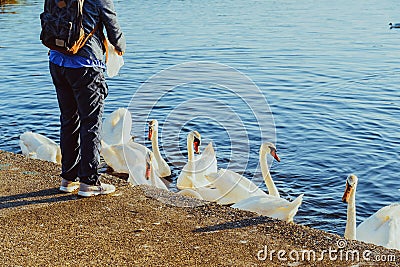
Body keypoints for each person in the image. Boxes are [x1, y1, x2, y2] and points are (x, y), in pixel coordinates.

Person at [48, 0, 126, 197]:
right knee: (90, 123)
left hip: (57, 61)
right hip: (86, 65)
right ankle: (89, 182)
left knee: (68, 120)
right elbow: (112, 24)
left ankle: (68, 179)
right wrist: (120, 46)